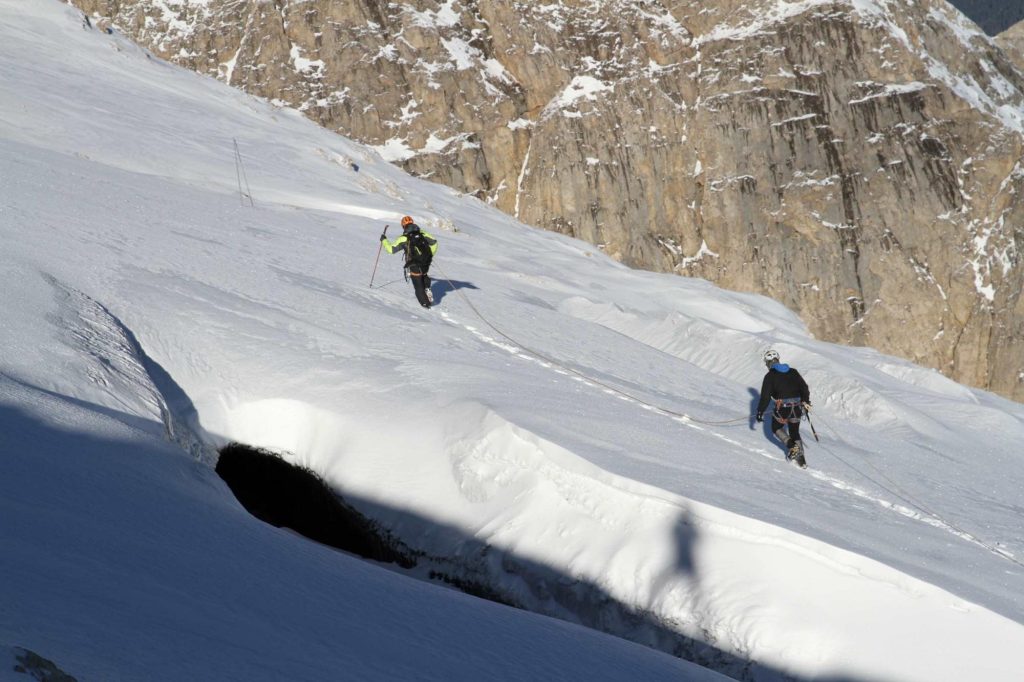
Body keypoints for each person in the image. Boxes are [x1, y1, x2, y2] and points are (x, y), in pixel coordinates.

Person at [755, 349, 811, 465]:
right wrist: (806, 401)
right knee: (794, 432)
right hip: (796, 407)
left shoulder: (770, 376)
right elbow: (804, 388)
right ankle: (801, 460)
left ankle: (792, 446)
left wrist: (760, 411)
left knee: (776, 427)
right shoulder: (793, 372)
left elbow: (765, 396)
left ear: (769, 363)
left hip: (783, 408)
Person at [381, 216, 438, 308]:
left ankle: (426, 306)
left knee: (418, 286)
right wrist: (430, 255)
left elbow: (391, 249)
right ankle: (427, 288)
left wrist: (384, 240)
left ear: (403, 226)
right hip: (426, 262)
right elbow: (434, 243)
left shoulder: (403, 238)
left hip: (414, 264)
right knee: (424, 275)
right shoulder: (422, 233)